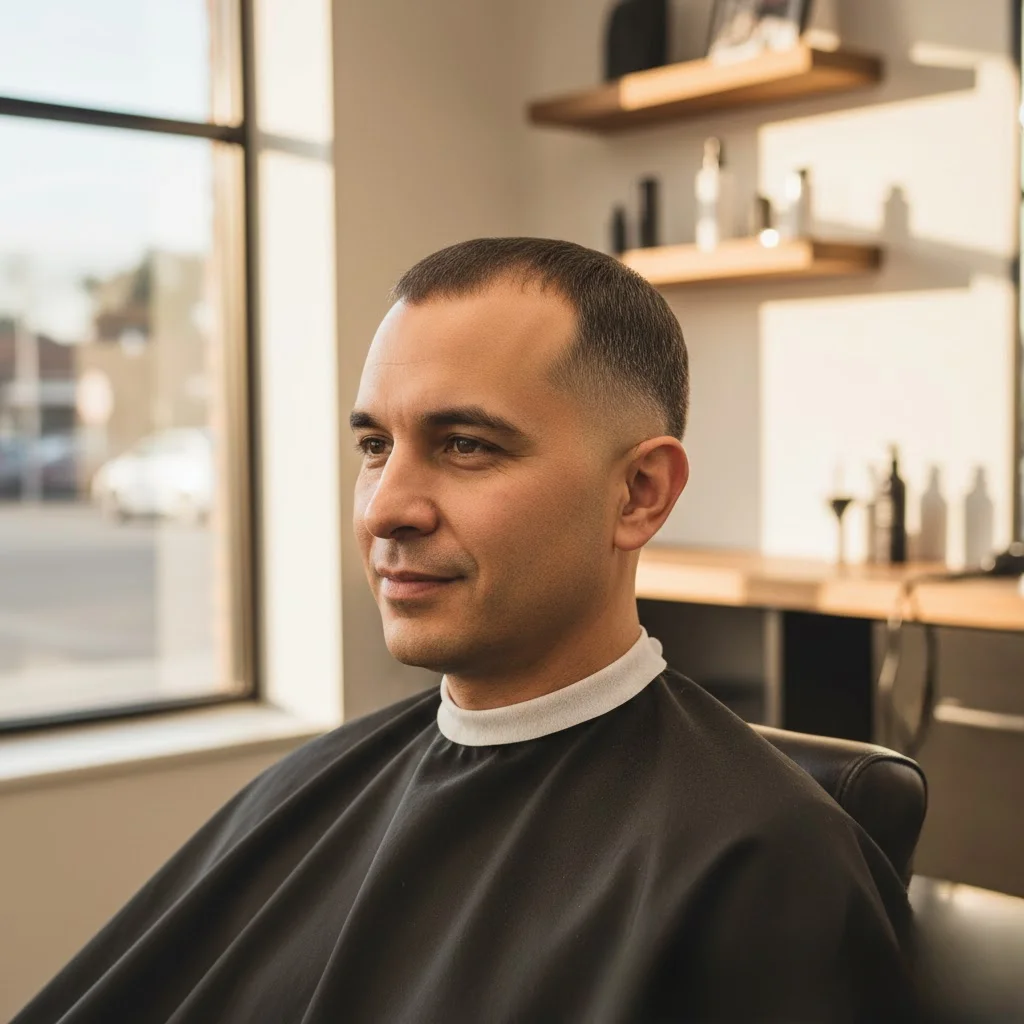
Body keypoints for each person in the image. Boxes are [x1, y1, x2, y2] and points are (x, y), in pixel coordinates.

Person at [13, 237, 920, 1023]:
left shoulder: (764, 865)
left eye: (466, 445)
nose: (386, 509)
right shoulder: (312, 783)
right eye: (375, 446)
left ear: (639, 493)